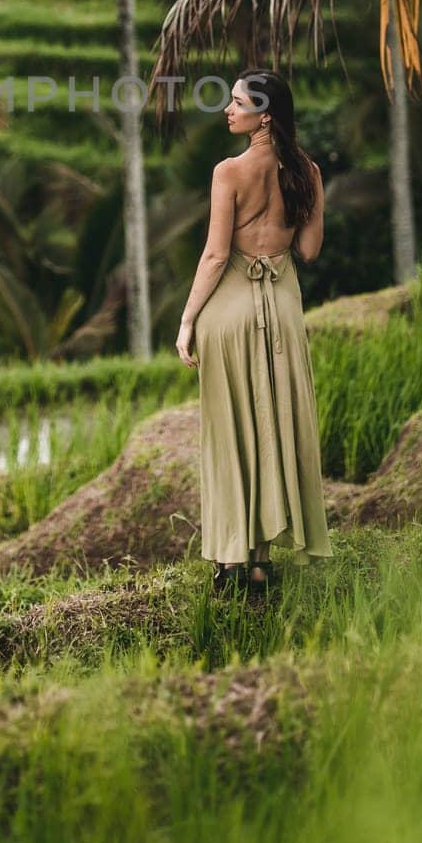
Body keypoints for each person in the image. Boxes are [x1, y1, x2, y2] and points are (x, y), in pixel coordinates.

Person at [176, 69, 333, 595]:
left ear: (264, 115)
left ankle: (230, 558)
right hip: (283, 310)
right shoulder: (308, 172)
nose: (228, 109)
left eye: (237, 101)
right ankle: (262, 560)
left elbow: (218, 254)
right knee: (273, 426)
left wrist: (187, 318)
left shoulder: (228, 172)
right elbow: (308, 252)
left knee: (231, 430)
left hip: (231, 310)